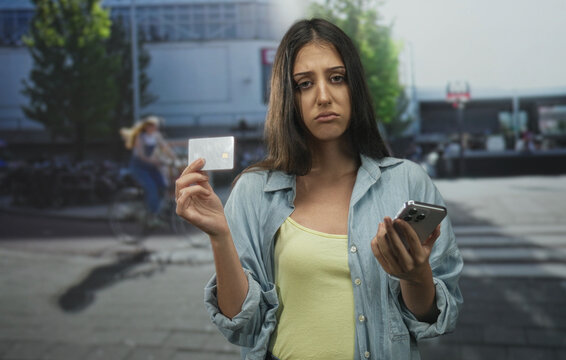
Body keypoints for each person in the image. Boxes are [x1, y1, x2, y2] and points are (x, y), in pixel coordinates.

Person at [175, 18, 463, 360]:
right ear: (287, 97)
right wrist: (220, 236)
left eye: (336, 78)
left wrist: (415, 275)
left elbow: (434, 319)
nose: (323, 97)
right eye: (304, 84)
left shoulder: (407, 181)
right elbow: (242, 325)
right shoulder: (254, 191)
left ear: (353, 86)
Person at [120, 115, 176, 221]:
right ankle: (152, 216)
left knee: (162, 186)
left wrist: (175, 159)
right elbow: (142, 156)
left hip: (152, 167)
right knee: (152, 188)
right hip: (139, 167)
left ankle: (156, 210)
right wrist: (156, 161)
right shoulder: (140, 137)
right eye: (152, 126)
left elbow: (165, 148)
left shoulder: (156, 136)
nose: (154, 128)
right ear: (146, 126)